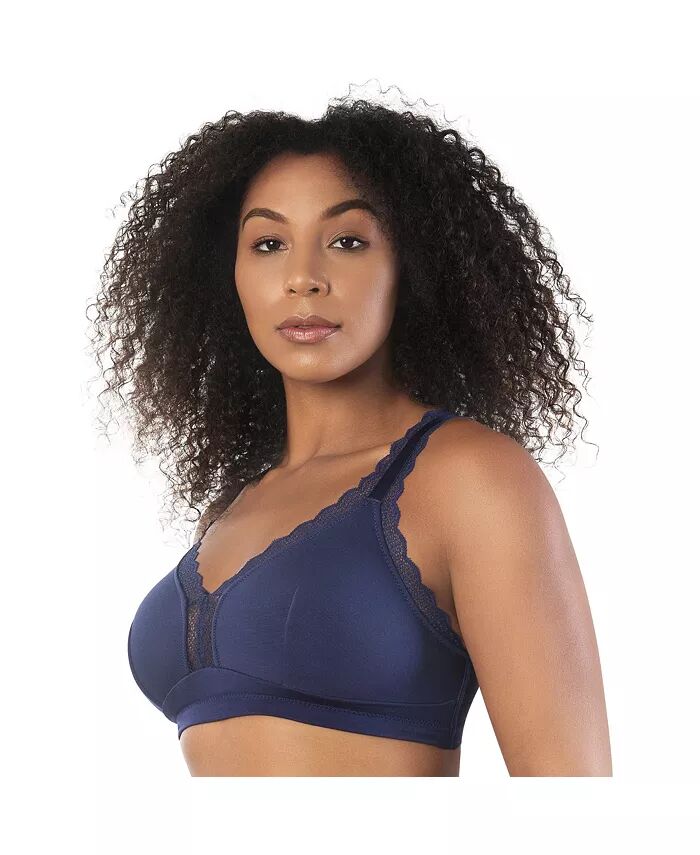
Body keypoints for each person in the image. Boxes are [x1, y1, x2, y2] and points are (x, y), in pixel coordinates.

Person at [89, 94, 612, 777]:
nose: (303, 278)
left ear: (411, 266)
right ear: (228, 276)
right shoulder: (231, 507)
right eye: (268, 244)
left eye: (348, 241)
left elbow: (572, 802)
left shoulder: (468, 476)